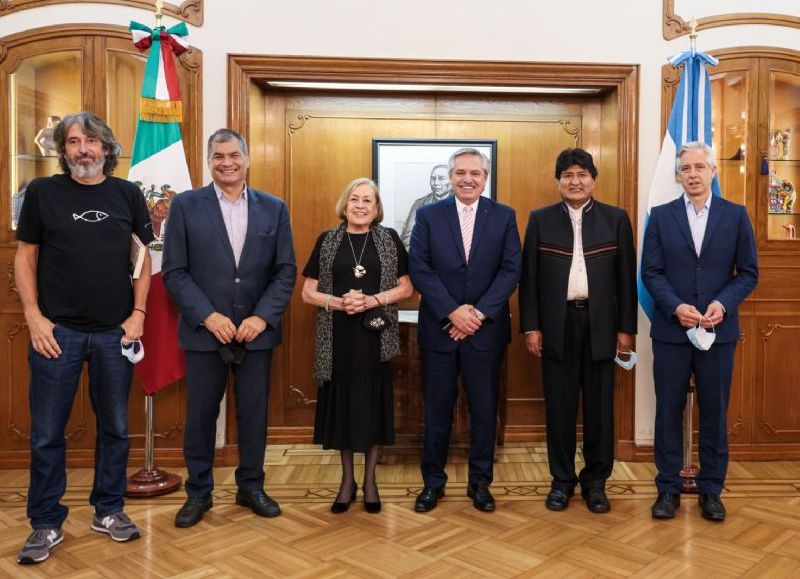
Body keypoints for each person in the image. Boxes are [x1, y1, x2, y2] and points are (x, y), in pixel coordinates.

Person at [15, 111, 153, 564]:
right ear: (63, 150)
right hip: (59, 334)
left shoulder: (128, 194)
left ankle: (108, 510)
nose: (83, 150)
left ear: (107, 149)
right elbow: (25, 258)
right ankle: (46, 522)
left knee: (114, 428)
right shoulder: (41, 193)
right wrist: (34, 317)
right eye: (73, 142)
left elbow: (143, 260)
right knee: (47, 433)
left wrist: (138, 315)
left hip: (115, 333)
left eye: (92, 141)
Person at [162, 128, 296, 528]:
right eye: (218, 156)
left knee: (254, 414)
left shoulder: (275, 208)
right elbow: (175, 272)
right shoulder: (185, 206)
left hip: (257, 333)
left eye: (234, 154)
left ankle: (251, 486)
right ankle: (199, 493)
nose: (227, 162)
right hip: (206, 333)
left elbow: (285, 270)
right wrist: (209, 316)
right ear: (209, 161)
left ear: (247, 159)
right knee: (201, 415)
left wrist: (261, 317)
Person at [642, 141, 758, 522]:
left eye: (699, 167)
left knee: (714, 412)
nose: (692, 174)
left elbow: (749, 274)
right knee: (668, 412)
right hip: (673, 332)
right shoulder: (660, 217)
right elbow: (651, 273)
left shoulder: (736, 216)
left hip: (718, 333)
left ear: (713, 171)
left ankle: (711, 491)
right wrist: (676, 307)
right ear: (678, 175)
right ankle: (668, 490)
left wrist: (722, 304)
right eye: (686, 168)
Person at [519, 148, 637, 514]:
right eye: (567, 175)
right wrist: (532, 327)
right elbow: (529, 281)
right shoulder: (540, 220)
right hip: (556, 324)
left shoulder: (616, 219)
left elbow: (626, 281)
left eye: (582, 174)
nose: (575, 181)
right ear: (558, 182)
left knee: (600, 409)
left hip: (602, 324)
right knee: (560, 407)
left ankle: (596, 483)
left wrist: (626, 329)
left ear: (593, 179)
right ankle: (561, 481)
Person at [409, 147, 521, 513]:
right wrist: (453, 313)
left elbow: (510, 270)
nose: (468, 179)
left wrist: (478, 314)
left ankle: (480, 483)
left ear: (485, 178)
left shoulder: (503, 216)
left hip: (485, 333)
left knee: (485, 411)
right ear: (451, 176)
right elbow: (420, 267)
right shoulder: (428, 215)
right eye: (461, 173)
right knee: (437, 411)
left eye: (475, 173)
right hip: (440, 330)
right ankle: (432, 484)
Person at [301, 177, 412, 514]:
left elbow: (407, 288)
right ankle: (347, 481)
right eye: (355, 199)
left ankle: (371, 481)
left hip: (376, 337)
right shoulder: (327, 240)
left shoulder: (390, 240)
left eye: (368, 200)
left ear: (377, 208)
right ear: (345, 205)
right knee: (344, 409)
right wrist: (341, 302)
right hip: (336, 338)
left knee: (372, 408)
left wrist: (371, 300)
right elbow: (307, 293)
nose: (361, 205)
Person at [400, 164, 453, 249]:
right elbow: (408, 238)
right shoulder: (419, 204)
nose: (436, 183)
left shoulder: (462, 203)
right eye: (433, 178)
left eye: (441, 178)